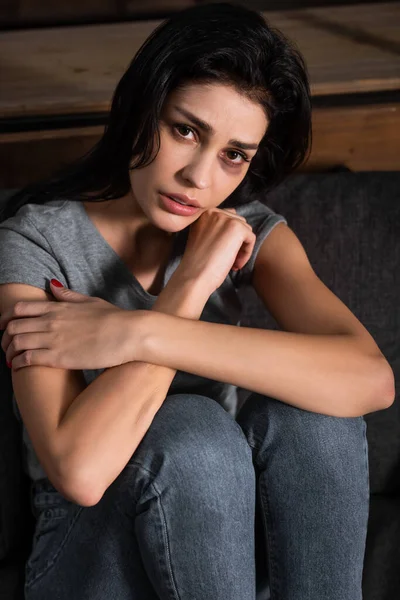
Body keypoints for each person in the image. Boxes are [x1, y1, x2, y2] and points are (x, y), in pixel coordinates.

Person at [0, 2, 394, 599]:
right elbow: (78, 472)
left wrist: (136, 333)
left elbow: (371, 379)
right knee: (194, 430)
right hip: (92, 558)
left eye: (234, 154)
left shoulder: (245, 230)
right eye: (184, 130)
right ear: (140, 109)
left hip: (219, 555)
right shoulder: (33, 242)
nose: (199, 178)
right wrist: (186, 290)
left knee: (316, 418)